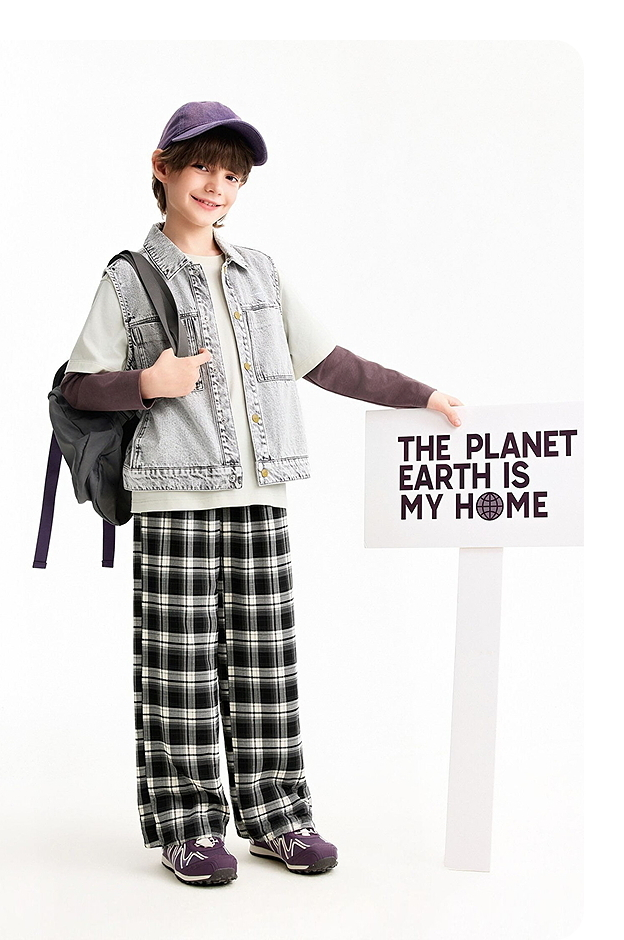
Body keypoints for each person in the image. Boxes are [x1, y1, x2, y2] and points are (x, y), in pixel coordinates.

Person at [61, 101, 462, 887]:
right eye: (202, 167)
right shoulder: (128, 278)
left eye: (233, 175)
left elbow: (327, 362)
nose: (217, 185)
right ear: (162, 168)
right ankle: (188, 827)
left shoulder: (260, 272)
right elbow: (79, 384)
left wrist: (419, 394)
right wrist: (149, 382)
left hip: (260, 495)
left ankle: (277, 815)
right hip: (175, 498)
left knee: (264, 667)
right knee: (179, 672)